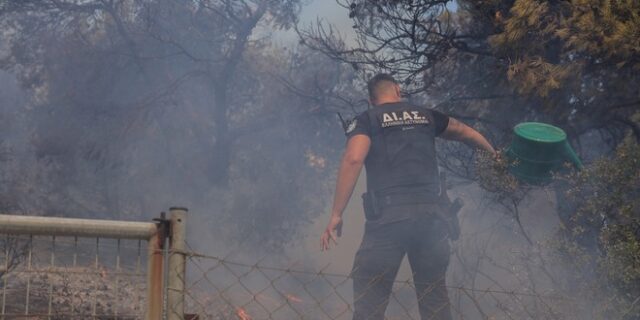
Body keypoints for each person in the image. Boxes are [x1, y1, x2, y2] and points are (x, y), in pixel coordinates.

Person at [321, 74, 496, 320]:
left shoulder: (368, 119)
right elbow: (463, 131)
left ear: (371, 100)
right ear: (398, 91)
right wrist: (494, 155)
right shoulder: (425, 115)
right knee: (434, 302)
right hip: (431, 221)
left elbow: (353, 158)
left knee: (369, 303)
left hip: (388, 222)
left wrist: (337, 214)